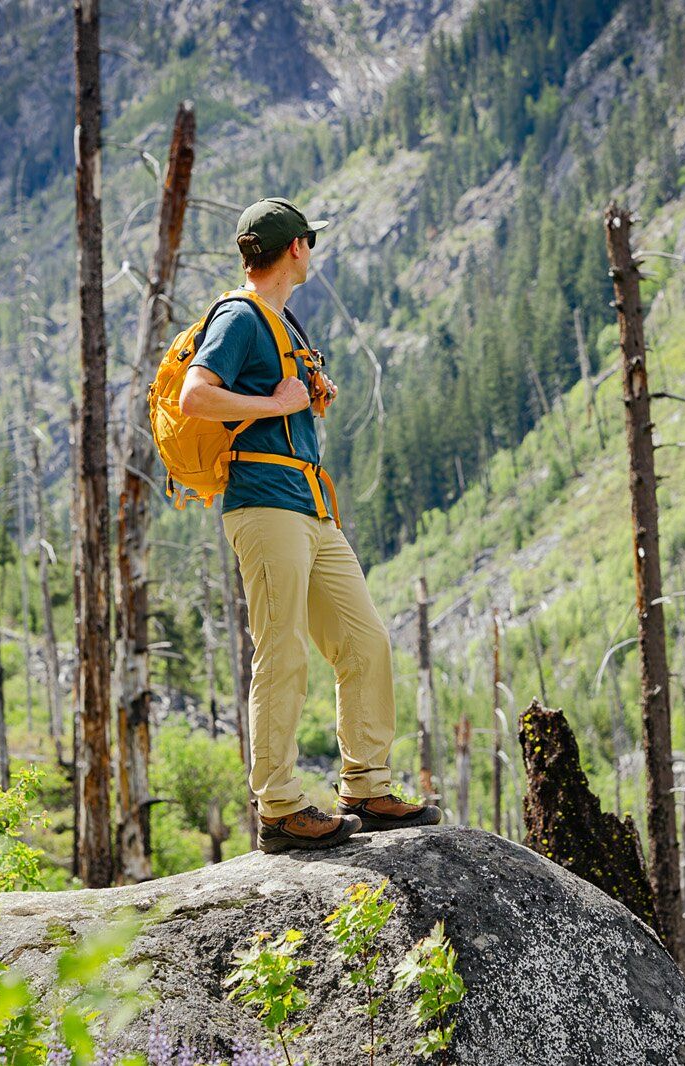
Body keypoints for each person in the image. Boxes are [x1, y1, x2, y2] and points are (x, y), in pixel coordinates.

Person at [178, 197, 441, 853]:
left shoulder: (280, 321)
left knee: (365, 642)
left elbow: (280, 398)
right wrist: (274, 401)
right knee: (284, 649)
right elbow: (195, 394)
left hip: (310, 506)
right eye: (310, 241)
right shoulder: (240, 315)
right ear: (295, 248)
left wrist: (303, 394)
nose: (312, 250)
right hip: (264, 503)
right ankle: (279, 806)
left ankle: (366, 788)